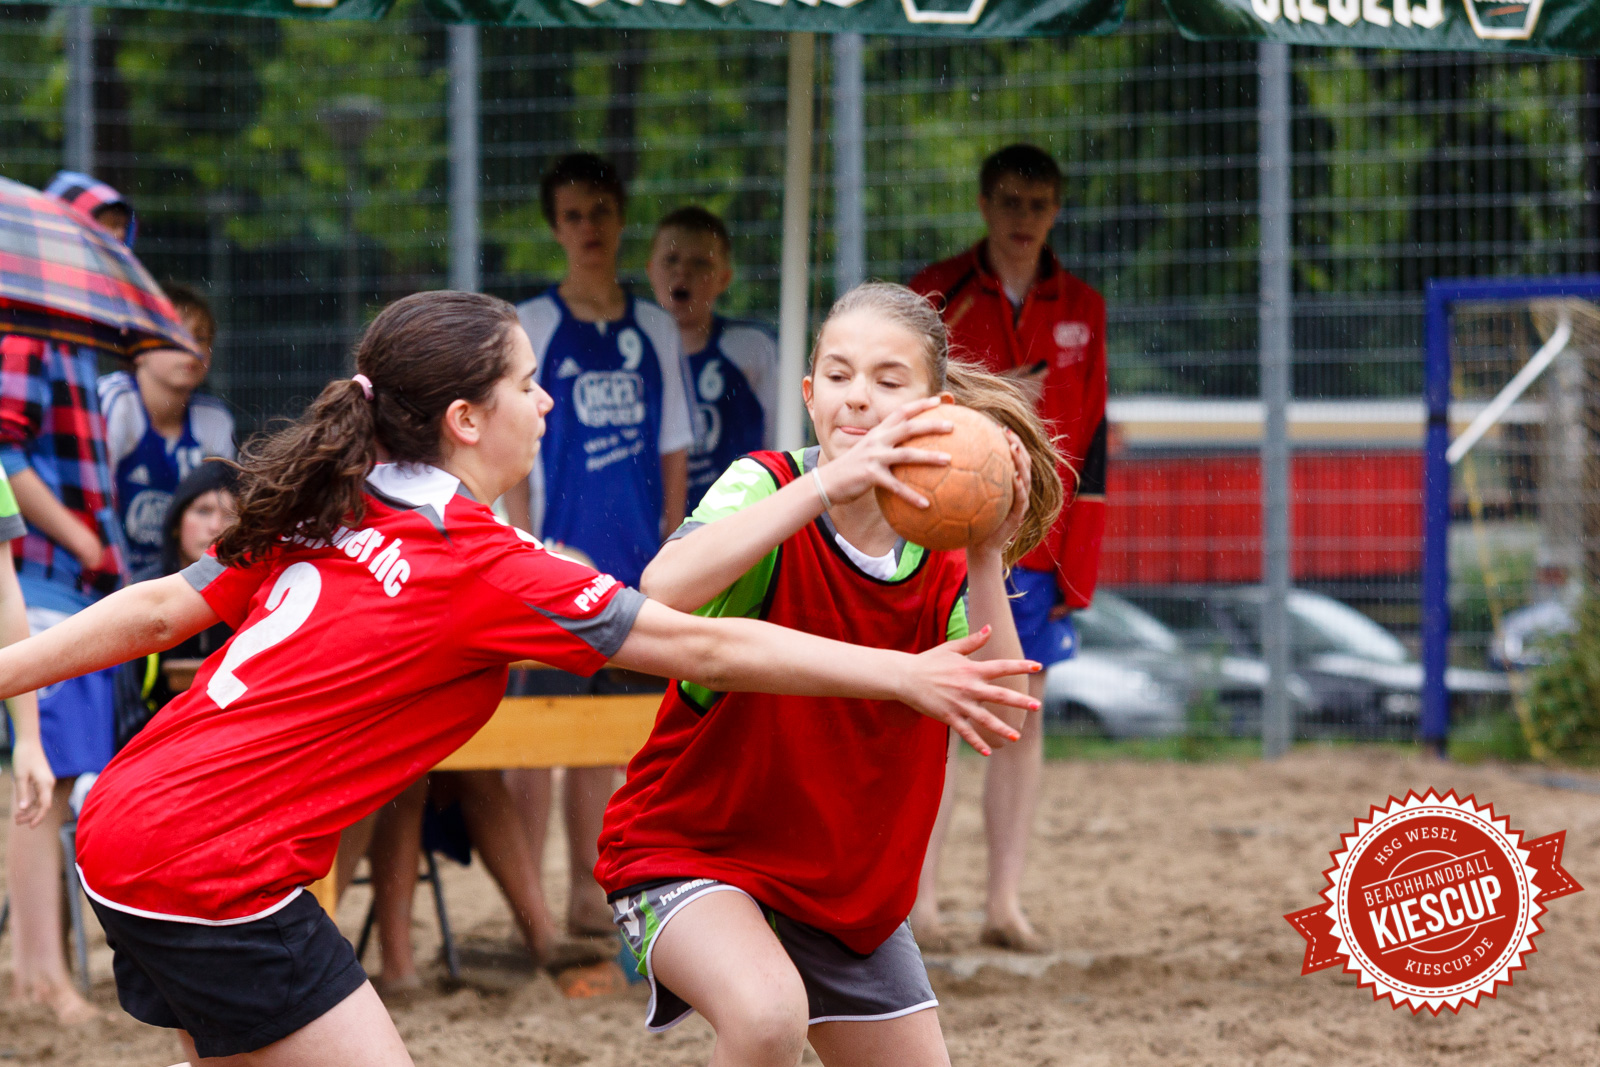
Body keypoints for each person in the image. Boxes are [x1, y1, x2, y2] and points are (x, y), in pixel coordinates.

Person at [0, 289, 1037, 1065]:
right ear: (465, 417)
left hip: (137, 824)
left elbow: (150, 610)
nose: (548, 402)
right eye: (529, 383)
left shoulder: (344, 502)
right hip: (208, 863)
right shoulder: (482, 563)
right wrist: (901, 676)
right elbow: (704, 644)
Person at [597, 282, 1064, 1065]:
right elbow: (661, 589)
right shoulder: (766, 484)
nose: (858, 399)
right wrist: (822, 487)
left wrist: (988, 548)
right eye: (840, 377)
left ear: (935, 407)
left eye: (888, 380)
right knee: (768, 1016)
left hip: (845, 892)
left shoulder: (946, 560)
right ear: (810, 395)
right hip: (689, 849)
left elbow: (1004, 714)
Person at [908, 143, 1108, 954]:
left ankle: (1003, 903)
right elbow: (910, 404)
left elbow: (1094, 436)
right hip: (947, 534)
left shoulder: (1084, 305)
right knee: (941, 714)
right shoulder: (934, 293)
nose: (1024, 218)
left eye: (1039, 204)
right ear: (985, 205)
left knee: (1022, 717)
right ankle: (919, 903)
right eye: (1010, 202)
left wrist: (1077, 563)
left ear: (1055, 210)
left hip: (1039, 544)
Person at [502, 152, 695, 938]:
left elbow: (674, 446)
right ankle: (533, 907)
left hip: (634, 569)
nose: (588, 228)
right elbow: (512, 446)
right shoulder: (532, 323)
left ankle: (589, 894)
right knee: (533, 732)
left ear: (621, 221)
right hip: (554, 561)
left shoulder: (654, 327)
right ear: (556, 227)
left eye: (600, 213)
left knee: (608, 740)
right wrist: (524, 546)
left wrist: (670, 548)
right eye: (573, 215)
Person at [0, 169, 136, 1023]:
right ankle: (41, 970)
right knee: (34, 777)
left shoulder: (78, 340)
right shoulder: (28, 333)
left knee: (48, 769)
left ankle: (46, 968)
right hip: (42, 575)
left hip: (66, 579)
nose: (115, 250)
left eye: (121, 233)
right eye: (98, 233)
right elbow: (6, 455)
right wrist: (85, 542)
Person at [646, 205, 779, 511]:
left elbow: (780, 440)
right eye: (671, 260)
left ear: (724, 278)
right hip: (656, 528)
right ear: (650, 270)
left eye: (700, 263)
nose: (683, 272)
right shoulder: (632, 357)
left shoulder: (751, 350)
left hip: (736, 521)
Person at [100, 282, 237, 578]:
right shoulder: (116, 402)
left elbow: (225, 513)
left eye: (201, 338)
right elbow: (95, 501)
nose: (192, 347)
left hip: (177, 581)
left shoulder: (214, 419)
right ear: (137, 349)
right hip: (108, 577)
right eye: (174, 334)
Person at [112, 461, 239, 748]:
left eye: (230, 515)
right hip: (147, 749)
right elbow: (125, 708)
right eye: (203, 511)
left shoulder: (258, 599)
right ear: (176, 522)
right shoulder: (141, 592)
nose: (216, 526)